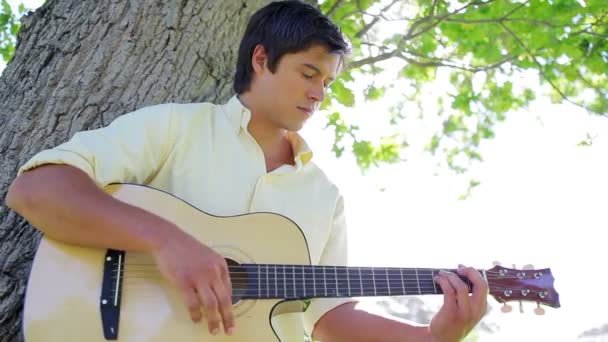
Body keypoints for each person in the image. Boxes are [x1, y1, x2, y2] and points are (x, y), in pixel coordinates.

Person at [6, 1, 487, 341]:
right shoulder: (178, 126)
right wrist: (167, 240)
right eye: (308, 73)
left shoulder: (324, 196)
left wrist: (431, 338)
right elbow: (37, 189)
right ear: (261, 59)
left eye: (328, 82)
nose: (320, 93)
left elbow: (328, 321)